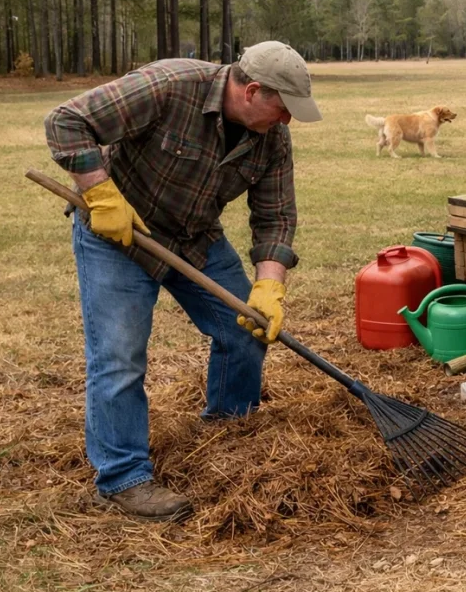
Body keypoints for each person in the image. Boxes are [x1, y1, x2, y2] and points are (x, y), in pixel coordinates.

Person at [43, 41, 322, 522]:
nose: (287, 122)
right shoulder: (170, 86)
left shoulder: (270, 138)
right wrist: (100, 193)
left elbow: (276, 216)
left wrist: (269, 286)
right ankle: (122, 479)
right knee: (119, 356)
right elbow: (66, 120)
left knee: (245, 328)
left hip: (195, 237)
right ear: (252, 91)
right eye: (284, 109)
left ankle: (227, 434)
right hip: (120, 235)